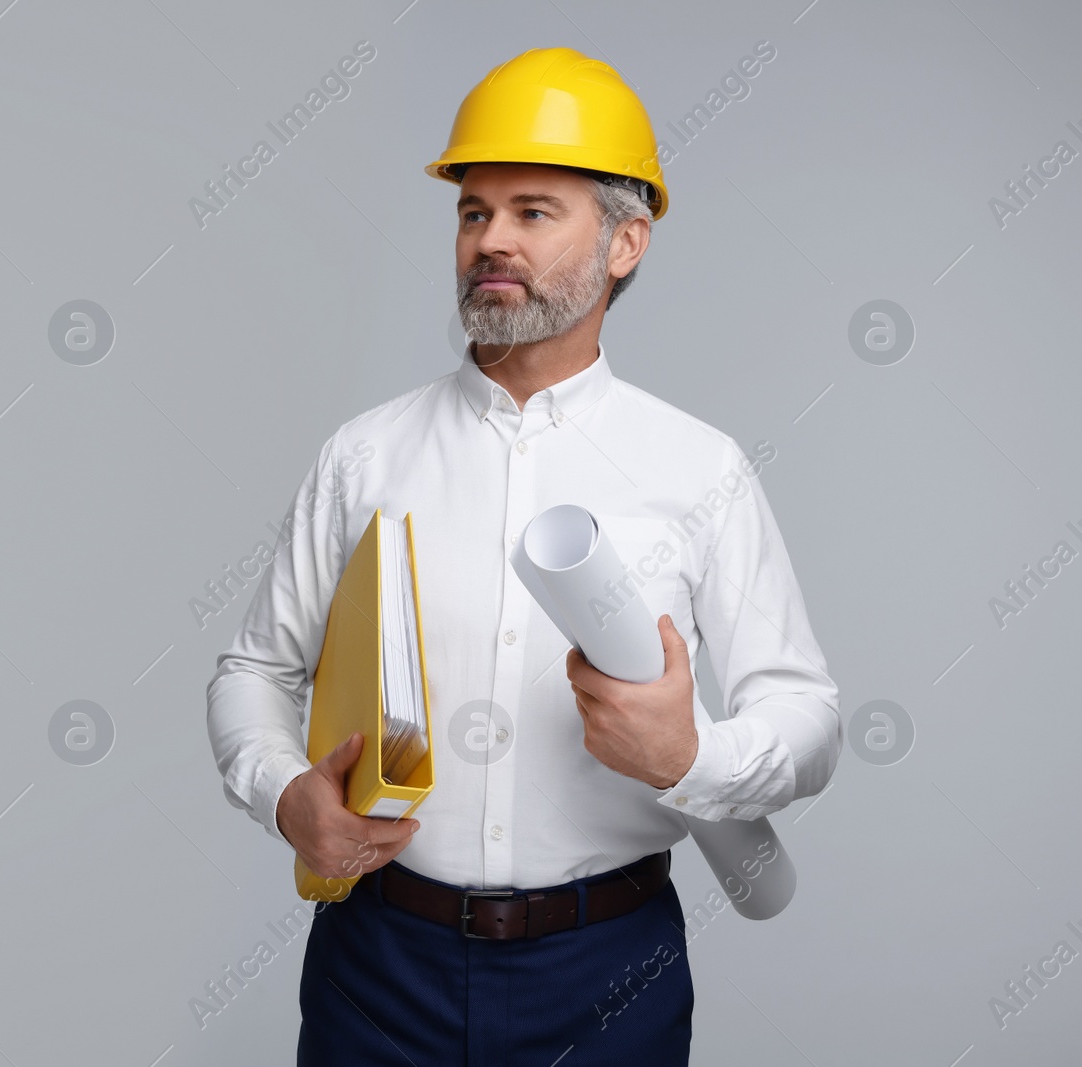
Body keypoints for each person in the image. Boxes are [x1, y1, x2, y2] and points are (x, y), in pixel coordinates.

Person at [204, 46, 841, 1065]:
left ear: (625, 242)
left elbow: (807, 716)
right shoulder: (363, 455)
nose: (488, 240)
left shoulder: (698, 467)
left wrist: (690, 759)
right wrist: (288, 797)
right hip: (377, 963)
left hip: (607, 975)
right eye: (471, 212)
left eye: (531, 211)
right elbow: (254, 672)